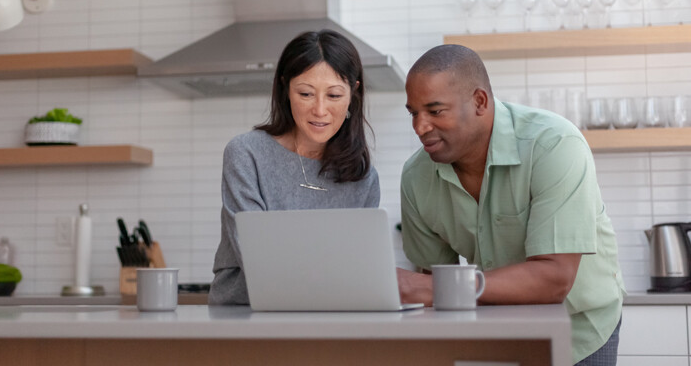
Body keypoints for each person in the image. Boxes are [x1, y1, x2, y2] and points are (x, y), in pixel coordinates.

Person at [396, 44, 625, 365]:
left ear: (479, 101)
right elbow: (433, 281)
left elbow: (555, 278)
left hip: (580, 328)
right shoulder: (416, 177)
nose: (420, 127)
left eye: (435, 111)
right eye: (413, 113)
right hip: (498, 330)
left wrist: (432, 288)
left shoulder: (554, 144)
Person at [208, 29, 380, 305]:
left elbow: (360, 269)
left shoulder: (363, 178)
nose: (320, 110)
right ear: (285, 89)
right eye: (306, 93)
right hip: (243, 318)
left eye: (334, 95)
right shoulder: (246, 154)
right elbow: (256, 257)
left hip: (331, 317)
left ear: (353, 94)